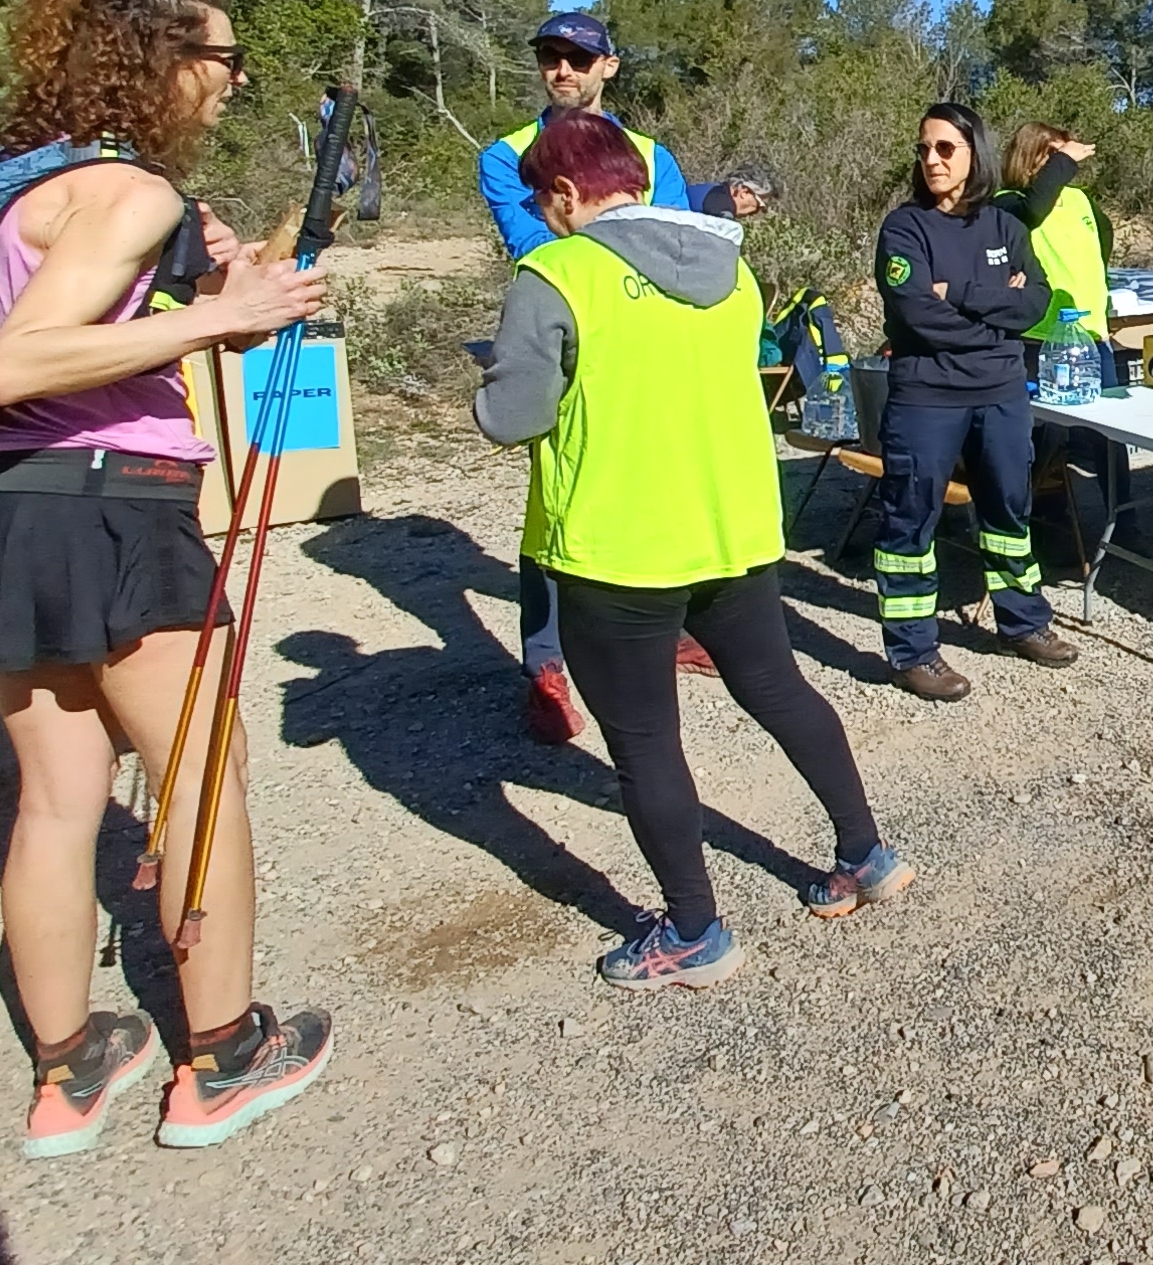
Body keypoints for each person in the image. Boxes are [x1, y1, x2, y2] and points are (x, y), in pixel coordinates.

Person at [0, 0, 333, 1156]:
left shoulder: (25, 195)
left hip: (12, 506)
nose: (232, 86)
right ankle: (224, 1056)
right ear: (158, 62)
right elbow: (17, 364)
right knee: (202, 778)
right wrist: (216, 317)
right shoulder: (128, 193)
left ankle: (69, 1070)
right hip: (114, 510)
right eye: (223, 61)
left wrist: (217, 292)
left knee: (56, 803)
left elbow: (50, 346)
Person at [473, 111, 912, 988]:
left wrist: (489, 384)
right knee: (781, 690)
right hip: (734, 529)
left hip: (619, 544)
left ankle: (693, 931)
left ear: (564, 194)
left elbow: (510, 416)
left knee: (643, 742)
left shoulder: (555, 273)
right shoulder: (733, 269)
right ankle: (864, 853)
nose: (543, 215)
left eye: (542, 200)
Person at [474, 11, 702, 744]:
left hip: (648, 339)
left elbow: (676, 243)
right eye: (549, 56)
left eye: (578, 57)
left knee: (655, 485)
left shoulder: (650, 151)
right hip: (563, 337)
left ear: (610, 66)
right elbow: (536, 240)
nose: (562, 70)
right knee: (555, 504)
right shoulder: (507, 154)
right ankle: (543, 664)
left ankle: (661, 622)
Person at [869, 103, 1074, 699]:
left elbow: (1037, 302)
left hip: (1002, 393)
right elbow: (915, 314)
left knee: (1010, 513)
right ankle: (913, 650)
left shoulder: (1006, 225)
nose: (931, 159)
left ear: (973, 154)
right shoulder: (904, 229)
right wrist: (994, 312)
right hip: (927, 397)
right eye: (924, 149)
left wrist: (958, 292)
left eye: (945, 149)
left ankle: (1023, 622)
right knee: (911, 520)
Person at [1000, 121, 1111, 348]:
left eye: (1062, 154)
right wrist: (1063, 161)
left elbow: (1104, 242)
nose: (1061, 160)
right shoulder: (1007, 201)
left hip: (1090, 332)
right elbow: (1033, 211)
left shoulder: (1079, 199)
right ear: (1027, 158)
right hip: (1037, 336)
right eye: (1052, 154)